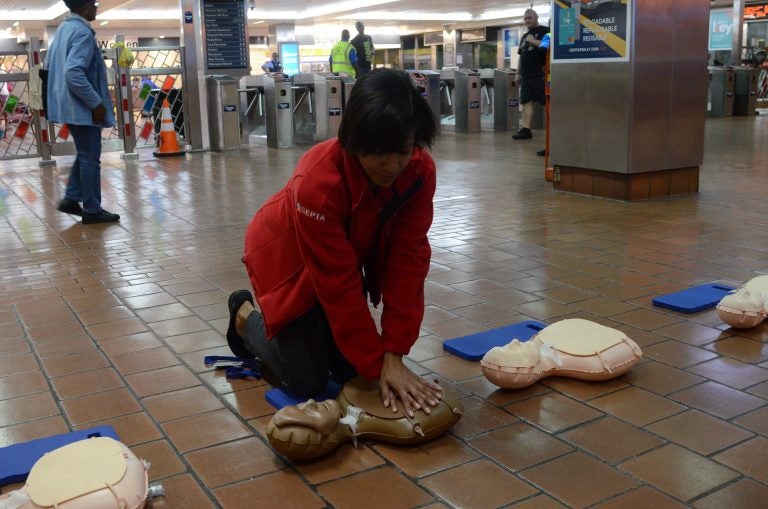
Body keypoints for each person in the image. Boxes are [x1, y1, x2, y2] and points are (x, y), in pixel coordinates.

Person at [227, 69, 442, 418]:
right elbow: (338, 284)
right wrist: (377, 366)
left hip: (336, 252)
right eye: (379, 153)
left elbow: (409, 262)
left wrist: (393, 355)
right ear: (354, 140)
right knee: (306, 380)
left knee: (349, 370)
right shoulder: (318, 183)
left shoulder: (418, 173)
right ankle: (244, 317)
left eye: (403, 151)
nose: (392, 166)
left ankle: (323, 335)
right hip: (285, 255)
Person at [47, 0, 120, 224]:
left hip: (67, 104)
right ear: (86, 7)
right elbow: (73, 72)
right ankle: (92, 209)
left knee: (86, 153)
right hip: (82, 106)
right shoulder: (82, 33)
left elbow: (50, 66)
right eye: (94, 3)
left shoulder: (63, 30)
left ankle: (71, 198)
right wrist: (96, 103)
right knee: (91, 159)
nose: (97, 8)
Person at [513, 9, 549, 141]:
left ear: (536, 17)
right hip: (526, 75)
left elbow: (549, 47)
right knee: (526, 101)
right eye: (525, 18)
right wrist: (518, 73)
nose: (527, 20)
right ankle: (525, 130)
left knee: (547, 102)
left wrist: (533, 41)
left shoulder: (546, 31)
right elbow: (521, 56)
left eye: (529, 18)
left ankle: (552, 129)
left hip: (541, 74)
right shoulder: (524, 36)